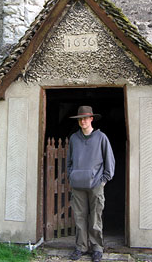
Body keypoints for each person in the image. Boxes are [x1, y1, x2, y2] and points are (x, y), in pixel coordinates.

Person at [67, 106, 115, 262]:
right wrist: (71, 176)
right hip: (77, 185)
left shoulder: (101, 137)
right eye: (80, 119)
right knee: (80, 218)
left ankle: (97, 248)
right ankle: (81, 247)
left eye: (86, 118)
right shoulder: (74, 138)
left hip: (95, 185)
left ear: (91, 119)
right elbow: (69, 161)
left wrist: (103, 181)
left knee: (95, 217)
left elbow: (110, 162)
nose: (83, 121)